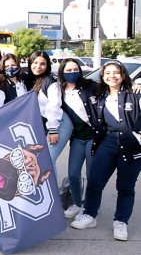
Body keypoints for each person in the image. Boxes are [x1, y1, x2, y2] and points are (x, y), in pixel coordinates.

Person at [71, 61, 141, 241]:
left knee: (125, 187)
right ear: (102, 76)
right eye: (107, 73)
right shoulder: (99, 96)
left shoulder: (135, 94)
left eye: (116, 72)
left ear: (123, 75)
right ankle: (90, 215)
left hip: (131, 144)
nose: (112, 76)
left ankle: (121, 221)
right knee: (95, 180)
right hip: (107, 141)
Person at [56, 58, 96, 219]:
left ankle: (90, 206)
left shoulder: (90, 86)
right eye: (68, 70)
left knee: (92, 174)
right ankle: (77, 204)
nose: (72, 73)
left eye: (75, 70)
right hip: (77, 138)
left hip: (94, 136)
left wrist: (135, 85)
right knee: (73, 173)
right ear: (62, 72)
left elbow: (112, 90)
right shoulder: (59, 90)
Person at [25, 50, 73, 174]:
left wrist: (53, 130)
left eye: (42, 64)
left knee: (48, 160)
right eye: (35, 63)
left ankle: (53, 192)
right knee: (38, 160)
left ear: (47, 66)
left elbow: (53, 106)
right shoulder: (33, 80)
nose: (38, 66)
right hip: (46, 123)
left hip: (59, 123)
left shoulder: (50, 81)